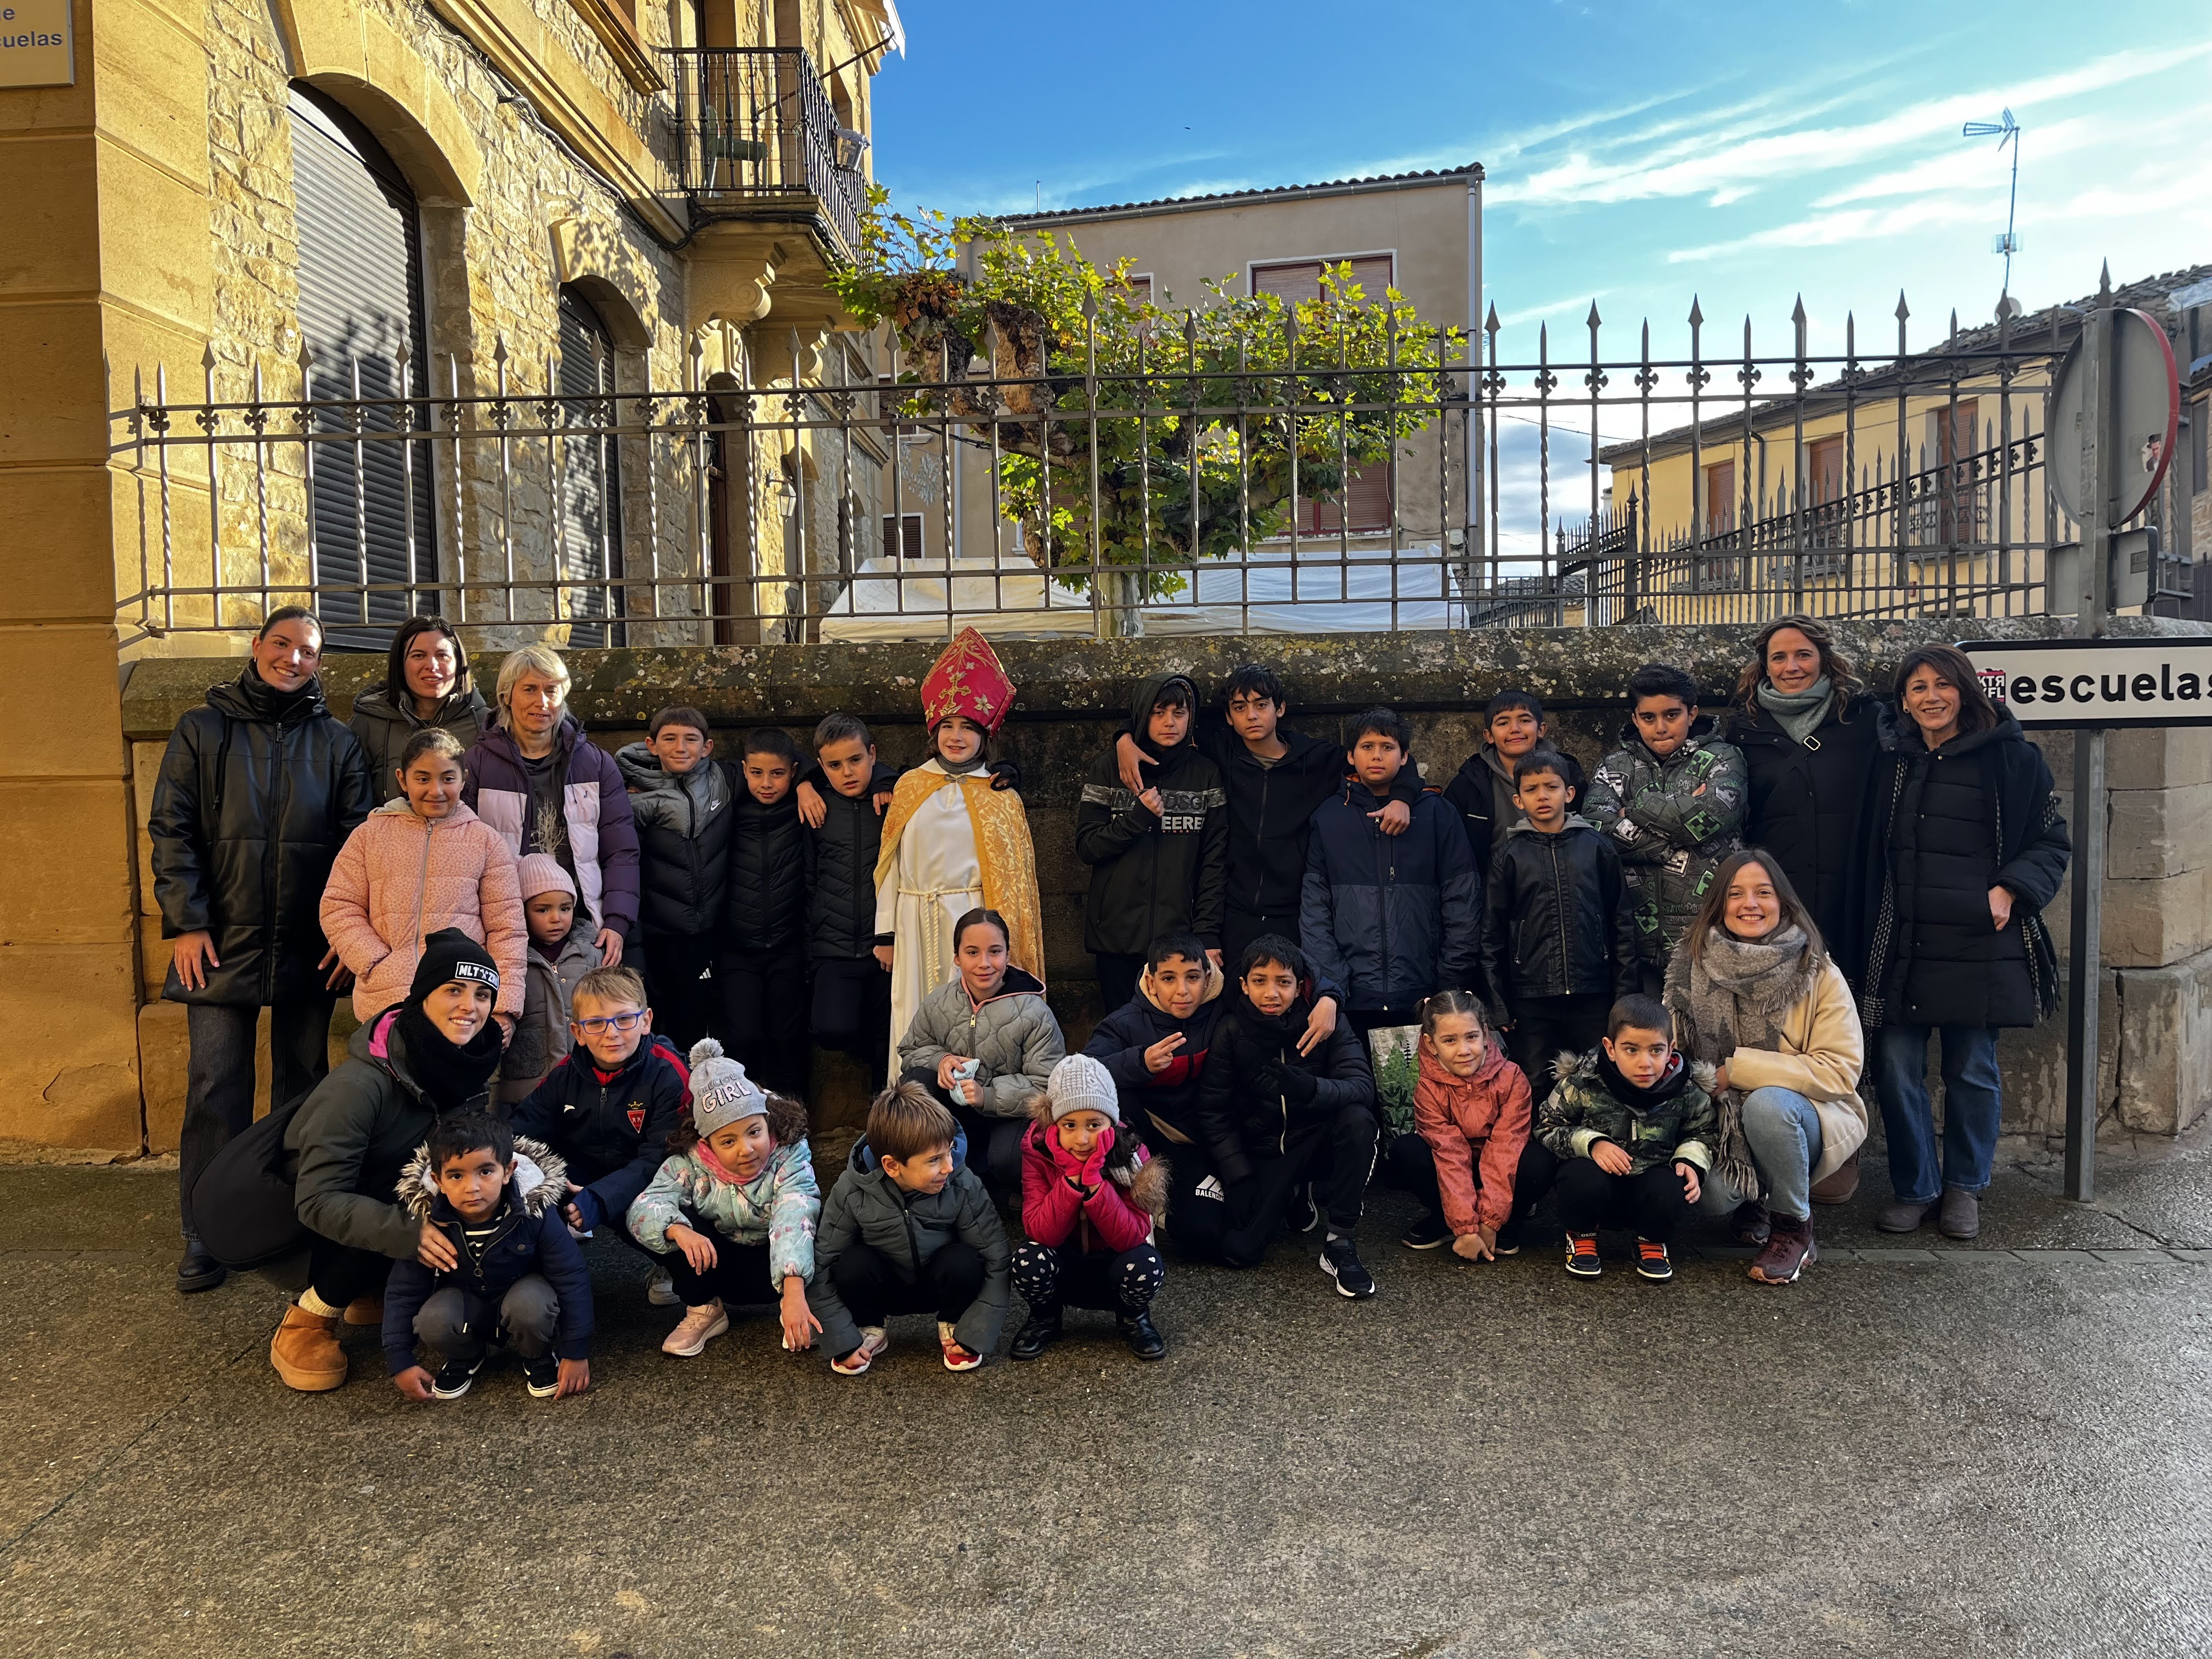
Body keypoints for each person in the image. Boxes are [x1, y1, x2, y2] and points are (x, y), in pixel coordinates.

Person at [150, 605, 376, 1296]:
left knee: (303, 1090)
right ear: (256, 647)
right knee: (215, 1087)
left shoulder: (337, 742)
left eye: (307, 650)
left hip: (312, 948)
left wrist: (347, 936)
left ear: (319, 660)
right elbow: (173, 829)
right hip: (218, 945)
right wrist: (187, 922)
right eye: (282, 644)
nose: (293, 658)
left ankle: (289, 1224)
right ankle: (204, 1232)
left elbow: (357, 848)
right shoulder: (201, 728)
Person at [1859, 645, 2070, 1242]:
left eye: (1942, 685)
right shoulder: (1890, 761)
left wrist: (2011, 888)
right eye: (1917, 687)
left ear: (1966, 690)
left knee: (1971, 1070)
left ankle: (1964, 1188)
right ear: (1902, 700)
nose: (1931, 697)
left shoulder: (2012, 760)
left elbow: (2052, 841)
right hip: (1901, 944)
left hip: (1981, 942)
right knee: (1897, 1068)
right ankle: (1916, 1188)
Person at [264, 931, 508, 1392]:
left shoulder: (469, 1062)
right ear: (422, 998)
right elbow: (316, 1199)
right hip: (308, 1218)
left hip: (388, 1194)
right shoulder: (359, 1085)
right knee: (407, 1198)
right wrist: (406, 1234)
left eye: (483, 995)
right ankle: (307, 1319)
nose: (470, 1007)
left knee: (459, 1182)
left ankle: (369, 1286)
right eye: (453, 990)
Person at [1113, 662, 1412, 971]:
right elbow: (1164, 721)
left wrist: (1403, 796)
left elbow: (1385, 756)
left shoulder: (1317, 759)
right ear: (1229, 717)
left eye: (1261, 705)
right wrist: (1124, 737)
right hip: (1234, 911)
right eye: (1240, 708)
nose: (1251, 716)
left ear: (1280, 708)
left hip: (1296, 912)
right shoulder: (1218, 750)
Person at [1664, 850, 1867, 1286]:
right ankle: (1753, 1198)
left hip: (1805, 1118)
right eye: (1735, 894)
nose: (1749, 904)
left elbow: (1839, 1071)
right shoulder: (1690, 966)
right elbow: (1675, 1059)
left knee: (1767, 1105)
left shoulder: (1817, 971)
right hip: (1721, 1121)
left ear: (1784, 903)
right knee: (1712, 1198)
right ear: (1719, 904)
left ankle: (1793, 1227)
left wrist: (1738, 1071)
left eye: (1763, 893)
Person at [874, 627, 1045, 1079]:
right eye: (947, 726)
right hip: (914, 918)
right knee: (911, 1010)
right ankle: (910, 1106)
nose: (956, 736)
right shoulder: (910, 785)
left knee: (972, 1018)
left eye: (967, 727)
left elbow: (1012, 881)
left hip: (971, 919)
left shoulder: (999, 795)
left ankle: (968, 1101)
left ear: (984, 735)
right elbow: (889, 865)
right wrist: (885, 933)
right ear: (933, 731)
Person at [1192, 935, 1380, 1297]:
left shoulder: (1324, 1021)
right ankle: (1293, 1194)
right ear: (1244, 985)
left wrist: (1312, 1089)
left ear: (1299, 986)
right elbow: (1213, 1110)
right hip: (1265, 1147)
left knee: (1358, 1121)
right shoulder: (1230, 1030)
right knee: (1238, 1251)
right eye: (1260, 981)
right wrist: (1238, 1174)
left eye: (1284, 982)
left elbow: (1362, 1087)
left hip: (1316, 1137)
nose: (1272, 994)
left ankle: (1339, 1242)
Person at [507, 965, 692, 1304]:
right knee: (523, 1184)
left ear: (647, 1020)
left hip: (651, 1177)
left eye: (625, 1019)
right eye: (596, 1024)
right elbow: (521, 1130)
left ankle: (670, 1265)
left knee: (664, 1202)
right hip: (580, 1172)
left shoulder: (668, 1072)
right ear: (578, 1032)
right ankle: (541, 1274)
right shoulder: (564, 1075)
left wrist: (600, 1198)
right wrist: (553, 1183)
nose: (612, 1034)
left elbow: (662, 1157)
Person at [318, 727, 526, 1030]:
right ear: (403, 779)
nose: (436, 790)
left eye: (448, 778)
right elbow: (339, 905)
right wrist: (375, 963)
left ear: (463, 779)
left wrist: (503, 1006)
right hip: (386, 1003)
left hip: (462, 1005)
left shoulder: (486, 842)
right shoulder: (368, 836)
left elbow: (507, 929)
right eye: (423, 778)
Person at [627, 1040, 822, 1359]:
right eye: (728, 1140)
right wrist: (678, 1230)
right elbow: (643, 1207)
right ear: (707, 1141)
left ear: (766, 1120)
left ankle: (802, 1306)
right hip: (721, 1265)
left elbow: (792, 1214)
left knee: (814, 1217)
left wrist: (794, 1288)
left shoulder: (790, 1153)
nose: (746, 1149)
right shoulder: (689, 1162)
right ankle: (705, 1308)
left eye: (754, 1132)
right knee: (677, 1222)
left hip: (781, 1270)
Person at [382, 1110, 592, 1401]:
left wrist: (576, 1352)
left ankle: (537, 1355)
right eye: (456, 1175)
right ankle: (466, 1355)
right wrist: (400, 1360)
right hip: (466, 1300)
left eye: (485, 1171)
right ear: (437, 1179)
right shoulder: (427, 1222)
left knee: (531, 1305)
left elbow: (571, 1277)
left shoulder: (535, 1214)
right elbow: (404, 1290)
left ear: (508, 1171)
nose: (472, 1187)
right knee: (433, 1319)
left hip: (524, 1297)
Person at [1298, 706, 1482, 1034]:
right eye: (1367, 747)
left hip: (1424, 992)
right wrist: (1332, 983)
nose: (1377, 756)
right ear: (1351, 757)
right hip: (1353, 994)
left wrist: (1449, 980)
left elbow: (1462, 902)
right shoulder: (1329, 817)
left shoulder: (1437, 813)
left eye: (1387, 747)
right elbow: (1315, 909)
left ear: (1404, 756)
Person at [1723, 617, 1882, 991]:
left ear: (1824, 659)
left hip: (1851, 894)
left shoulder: (1865, 719)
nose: (1791, 667)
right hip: (1775, 898)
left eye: (1803, 655)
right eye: (1779, 658)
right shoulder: (1744, 729)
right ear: (1764, 665)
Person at [811, 1079, 1012, 1375]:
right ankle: (870, 1327)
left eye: (950, 1151)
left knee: (965, 1261)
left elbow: (996, 1257)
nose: (949, 1167)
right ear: (892, 1166)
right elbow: (822, 1263)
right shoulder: (851, 1191)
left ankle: (955, 1323)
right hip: (883, 1286)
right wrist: (840, 1338)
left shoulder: (962, 1183)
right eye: (934, 1160)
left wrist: (977, 1331)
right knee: (851, 1264)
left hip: (940, 1283)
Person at [462, 642, 639, 968]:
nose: (542, 702)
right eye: (529, 689)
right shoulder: (476, 766)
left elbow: (620, 852)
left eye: (552, 690)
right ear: (506, 696)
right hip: (505, 923)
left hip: (583, 922)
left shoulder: (596, 764)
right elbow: (462, 857)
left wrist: (617, 921)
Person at [1531, 994, 1716, 1282]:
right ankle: (1582, 1235)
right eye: (1632, 1050)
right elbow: (1546, 1126)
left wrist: (1691, 1160)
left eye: (1656, 1050)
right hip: (1598, 1186)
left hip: (1648, 1188)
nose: (1646, 1063)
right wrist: (1592, 1143)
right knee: (1579, 1175)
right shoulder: (1584, 1081)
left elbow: (1704, 1131)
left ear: (1671, 1050)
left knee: (1672, 1186)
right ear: (1611, 1048)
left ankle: (1651, 1241)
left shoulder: (1686, 1090)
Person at [1479, 748, 1640, 1078]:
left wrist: (1624, 996)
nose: (1542, 796)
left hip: (1593, 994)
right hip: (1531, 998)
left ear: (1568, 794)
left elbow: (1621, 924)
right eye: (1531, 789)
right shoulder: (1509, 857)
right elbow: (1492, 933)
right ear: (1518, 800)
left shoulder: (1596, 848)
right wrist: (1498, 1003)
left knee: (1600, 1080)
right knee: (1536, 1082)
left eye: (1551, 787)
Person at [1585, 663, 1746, 990]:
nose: (1660, 727)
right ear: (1635, 718)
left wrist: (1633, 810)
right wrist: (1666, 845)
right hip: (1634, 941)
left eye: (1672, 715)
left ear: (1692, 713)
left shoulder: (1724, 758)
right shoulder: (1616, 765)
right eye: (1649, 718)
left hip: (1708, 936)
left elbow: (1714, 814)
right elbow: (1596, 827)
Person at [1077, 672, 1228, 1011]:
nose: (1169, 723)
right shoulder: (1109, 768)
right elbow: (1087, 846)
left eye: (1179, 713)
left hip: (1180, 941)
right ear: (1143, 714)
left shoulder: (1205, 774)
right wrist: (1137, 821)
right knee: (1122, 1036)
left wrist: (1206, 933)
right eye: (1158, 713)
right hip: (1116, 937)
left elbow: (1214, 863)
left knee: (1176, 1042)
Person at [1009, 1053, 1169, 1363]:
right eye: (1069, 1125)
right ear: (1054, 1126)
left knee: (1148, 1263)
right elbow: (1040, 1231)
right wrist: (1071, 1181)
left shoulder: (1133, 1156)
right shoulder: (1037, 1153)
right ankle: (1045, 1318)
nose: (1082, 1139)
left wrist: (1095, 1183)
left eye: (1094, 1125)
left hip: (1112, 1267)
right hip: (1064, 1266)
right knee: (1027, 1258)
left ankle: (1133, 1317)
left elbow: (1132, 1237)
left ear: (1112, 1124)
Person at [897, 908, 1064, 1202]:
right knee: (916, 1083)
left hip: (1009, 1117)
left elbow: (1046, 1085)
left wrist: (987, 1094)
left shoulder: (1035, 1012)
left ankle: (1006, 1190)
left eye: (995, 952)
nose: (984, 963)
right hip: (956, 1114)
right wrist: (941, 1061)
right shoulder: (939, 1001)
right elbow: (910, 1051)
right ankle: (928, 1180)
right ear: (957, 957)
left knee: (1008, 1159)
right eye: (972, 952)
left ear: (1008, 955)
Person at [615, 706, 735, 1057]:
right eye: (670, 739)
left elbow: (779, 762)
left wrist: (804, 784)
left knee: (698, 1027)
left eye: (690, 739)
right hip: (656, 932)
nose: (680, 747)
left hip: (707, 932)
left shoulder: (723, 780)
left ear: (707, 747)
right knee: (655, 1025)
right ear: (651, 745)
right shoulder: (626, 791)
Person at [1382, 990, 1532, 1258]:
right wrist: (1466, 1228)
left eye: (1471, 1037)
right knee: (1407, 1151)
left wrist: (1489, 1222)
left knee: (1538, 1161)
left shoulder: (1513, 1078)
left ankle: (1504, 1223)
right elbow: (1450, 1154)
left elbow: (1505, 1149)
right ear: (1430, 1044)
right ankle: (1445, 1220)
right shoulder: (1428, 1089)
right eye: (1449, 1040)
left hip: (1498, 1172)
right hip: (1452, 1174)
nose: (1464, 1051)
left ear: (1486, 1035)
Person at [803, 714, 901, 1084]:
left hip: (887, 945)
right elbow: (810, 878)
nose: (847, 772)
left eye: (856, 760)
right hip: (835, 947)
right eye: (834, 765)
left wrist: (888, 779)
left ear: (872, 754)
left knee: (887, 1043)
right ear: (821, 768)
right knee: (832, 1030)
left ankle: (884, 1121)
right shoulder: (817, 808)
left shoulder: (894, 799)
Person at [716, 726, 812, 1097]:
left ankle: (793, 1117)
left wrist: (805, 782)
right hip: (737, 945)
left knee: (788, 1036)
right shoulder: (727, 804)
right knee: (743, 1034)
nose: (767, 783)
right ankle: (744, 1111)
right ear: (743, 769)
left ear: (793, 771)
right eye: (756, 773)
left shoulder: (804, 805)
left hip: (787, 945)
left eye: (778, 774)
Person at [492, 855, 600, 1107]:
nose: (556, 918)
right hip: (529, 1083)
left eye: (565, 908)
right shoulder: (511, 958)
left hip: (584, 1076)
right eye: (543, 910)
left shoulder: (589, 952)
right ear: (522, 911)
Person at [347, 616, 490, 804]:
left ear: (458, 664)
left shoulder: (486, 725)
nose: (432, 666)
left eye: (442, 655)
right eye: (418, 655)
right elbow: (352, 803)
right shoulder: (369, 723)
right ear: (401, 665)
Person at [1442, 689, 1552, 875]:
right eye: (1503, 723)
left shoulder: (1568, 775)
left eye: (1525, 720)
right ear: (1489, 736)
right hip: (1492, 890)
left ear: (1540, 729)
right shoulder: (1469, 784)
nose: (1515, 729)